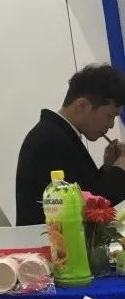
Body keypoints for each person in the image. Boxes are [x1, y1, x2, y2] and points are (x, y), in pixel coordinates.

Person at [15, 63, 125, 225]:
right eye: (110, 115)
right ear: (82, 106)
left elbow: (86, 190)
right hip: (50, 239)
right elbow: (86, 210)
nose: (111, 125)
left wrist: (108, 168)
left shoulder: (58, 133)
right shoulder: (50, 140)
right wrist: (121, 170)